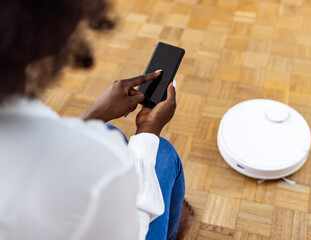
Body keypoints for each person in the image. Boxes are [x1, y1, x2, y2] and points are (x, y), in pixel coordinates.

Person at [0, 0, 193, 240]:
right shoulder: (102, 168)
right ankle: (170, 233)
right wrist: (147, 130)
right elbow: (133, 232)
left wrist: (94, 117)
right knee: (162, 153)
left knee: (108, 131)